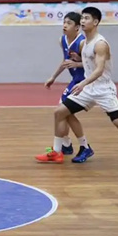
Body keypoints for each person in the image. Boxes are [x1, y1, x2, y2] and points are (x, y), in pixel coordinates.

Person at [35, 7, 118, 173]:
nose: (83, 21)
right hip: (88, 88)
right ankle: (57, 151)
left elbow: (99, 70)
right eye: (82, 18)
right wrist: (77, 63)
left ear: (95, 22)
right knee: (60, 112)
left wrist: (83, 83)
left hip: (103, 89)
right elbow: (85, 62)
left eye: (87, 18)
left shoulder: (100, 44)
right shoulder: (85, 42)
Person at [44, 12, 93, 162]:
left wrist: (77, 63)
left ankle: (82, 147)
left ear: (77, 27)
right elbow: (65, 61)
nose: (65, 25)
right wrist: (53, 76)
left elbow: (95, 65)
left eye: (69, 23)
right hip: (74, 81)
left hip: (85, 83)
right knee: (62, 113)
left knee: (63, 112)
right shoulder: (63, 40)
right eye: (64, 22)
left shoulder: (83, 43)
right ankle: (65, 146)